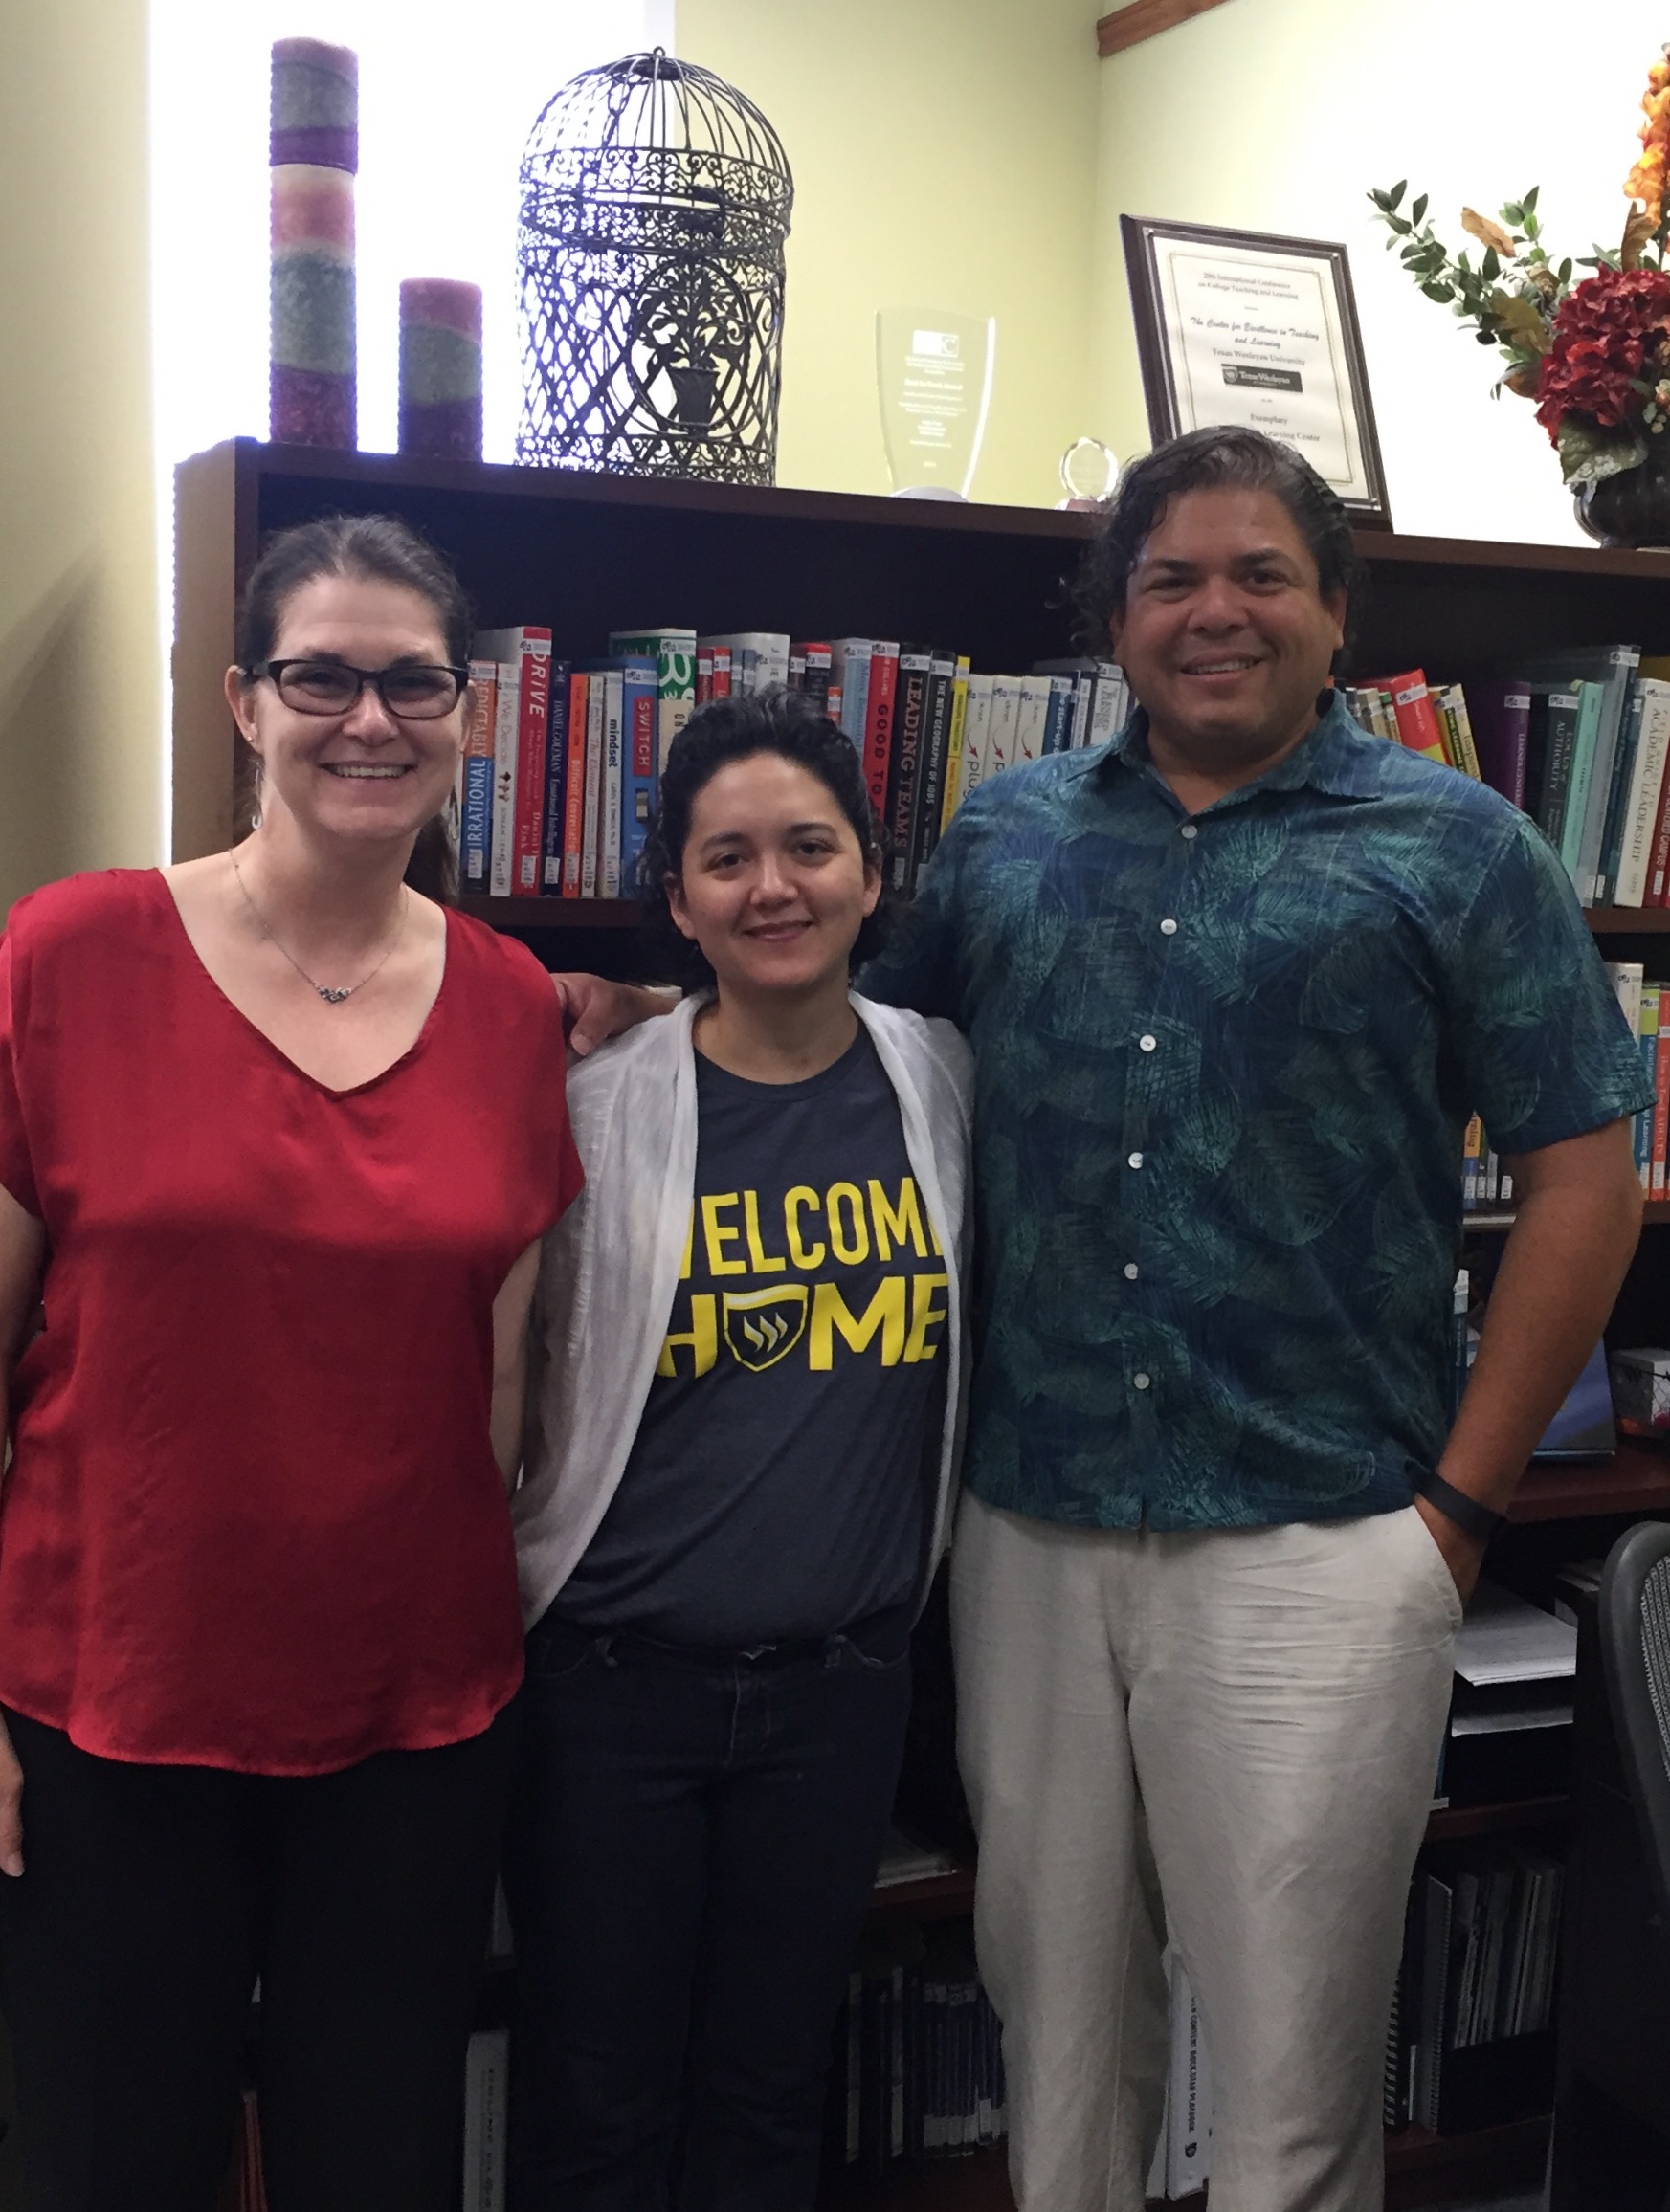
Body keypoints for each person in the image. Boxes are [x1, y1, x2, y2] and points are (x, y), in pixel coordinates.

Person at [554, 428, 1653, 2212]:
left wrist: (1456, 1514)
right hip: (1029, 1533)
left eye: (1260, 575)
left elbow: (1583, 1182)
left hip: (1320, 1538)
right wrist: (626, 1012)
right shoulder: (1007, 837)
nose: (1216, 613)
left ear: (1334, 608)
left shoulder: (1461, 851)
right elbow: (835, 1048)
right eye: (1171, 580)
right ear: (1116, 618)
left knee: (1296, 2065)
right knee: (1054, 2031)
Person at [0, 513, 581, 2212]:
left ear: (470, 713)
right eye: (320, 677)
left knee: (383, 2164)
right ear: (241, 703)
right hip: (114, 1706)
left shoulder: (508, 1009)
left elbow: (492, 1375)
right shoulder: (71, 953)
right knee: (115, 2171)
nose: (371, 720)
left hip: (414, 1718)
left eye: (413, 681)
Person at [509, 688, 972, 2212]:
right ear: (677, 901)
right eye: (727, 860)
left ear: (870, 876)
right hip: (611, 1699)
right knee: (596, 2103)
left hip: (838, 1699)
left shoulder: (943, 1084)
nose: (773, 887)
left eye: (808, 847)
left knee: (775, 2099)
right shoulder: (593, 1109)